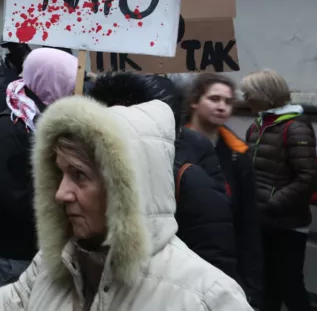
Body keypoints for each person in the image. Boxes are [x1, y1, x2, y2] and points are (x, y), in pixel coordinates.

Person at [0, 95, 252, 311]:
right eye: (60, 174)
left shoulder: (207, 297)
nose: (61, 194)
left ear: (124, 187)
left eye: (79, 175)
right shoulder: (51, 267)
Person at [88, 72, 243, 291]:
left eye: (227, 101)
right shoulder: (87, 174)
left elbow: (217, 270)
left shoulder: (189, 177)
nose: (63, 194)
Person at [0, 47, 76, 292]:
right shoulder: (10, 130)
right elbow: (10, 197)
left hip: (37, 250)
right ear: (50, 81)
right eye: (70, 84)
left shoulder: (44, 122)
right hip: (12, 258)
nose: (75, 92)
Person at [242, 70, 317, 311]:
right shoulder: (258, 125)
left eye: (249, 93)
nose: (244, 98)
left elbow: (307, 178)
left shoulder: (295, 127)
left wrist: (272, 202)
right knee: (267, 286)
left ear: (266, 95)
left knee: (290, 286)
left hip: (287, 224)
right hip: (263, 221)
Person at [187, 73, 264, 309]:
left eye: (228, 102)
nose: (221, 107)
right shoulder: (175, 147)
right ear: (195, 101)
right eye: (214, 99)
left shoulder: (236, 154)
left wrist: (252, 286)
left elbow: (248, 222)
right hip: (186, 266)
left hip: (225, 269)